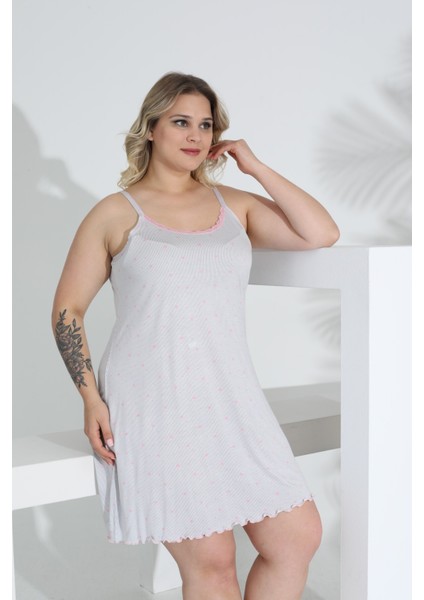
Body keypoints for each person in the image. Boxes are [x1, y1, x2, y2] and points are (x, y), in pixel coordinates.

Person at [52, 72, 340, 600]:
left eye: (205, 125)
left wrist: (255, 167)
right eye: (181, 122)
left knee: (296, 538)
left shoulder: (233, 205)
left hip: (231, 398)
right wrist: (91, 399)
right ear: (151, 128)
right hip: (155, 402)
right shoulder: (116, 212)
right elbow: (68, 310)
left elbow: (321, 233)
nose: (195, 136)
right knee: (212, 564)